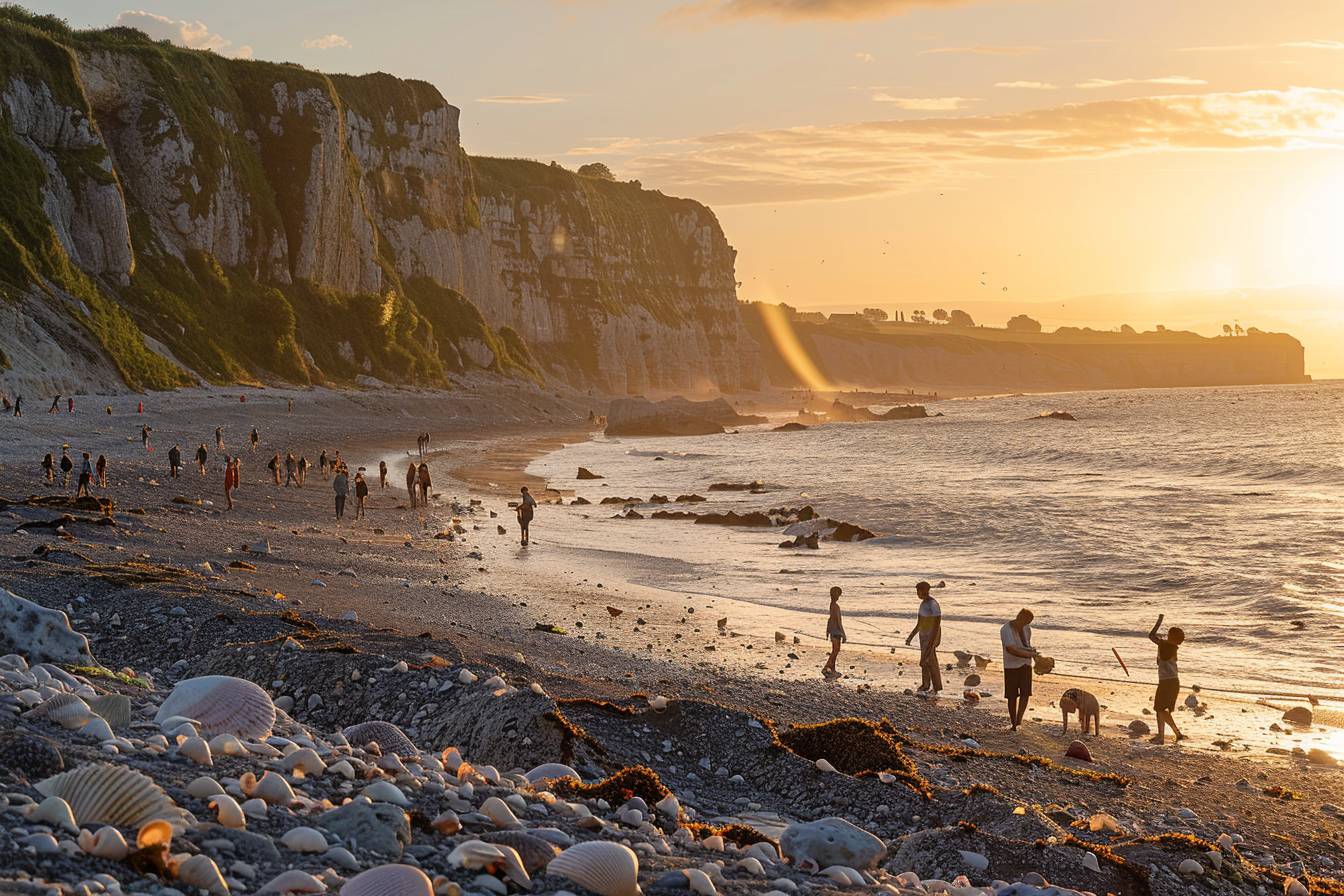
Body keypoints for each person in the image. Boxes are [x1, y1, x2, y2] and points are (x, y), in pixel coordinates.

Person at [1148, 614, 1185, 744]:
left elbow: (1151, 636)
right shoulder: (1170, 647)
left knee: (1160, 709)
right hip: (1172, 682)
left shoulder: (1164, 645)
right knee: (1160, 710)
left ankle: (1170, 734)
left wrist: (1159, 621)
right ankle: (1164, 736)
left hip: (1167, 683)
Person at [1001, 608, 1038, 731]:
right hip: (1011, 665)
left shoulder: (1027, 629)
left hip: (1026, 664)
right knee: (1012, 696)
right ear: (1019, 617)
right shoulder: (1006, 629)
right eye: (1025, 621)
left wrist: (1033, 653)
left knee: (1025, 694)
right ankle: (1013, 721)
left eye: (1028, 622)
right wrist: (1029, 655)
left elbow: (1026, 645)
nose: (1026, 625)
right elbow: (1011, 649)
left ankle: (1019, 720)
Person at [904, 581, 943, 696]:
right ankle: (925, 684)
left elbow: (937, 624)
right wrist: (911, 636)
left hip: (932, 634)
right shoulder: (922, 605)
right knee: (924, 660)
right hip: (923, 635)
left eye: (919, 591)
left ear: (925, 591)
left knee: (930, 660)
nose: (917, 594)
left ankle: (936, 687)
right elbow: (919, 623)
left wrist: (933, 641)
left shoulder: (933, 604)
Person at [822, 586, 845, 676]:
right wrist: (843, 633)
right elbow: (838, 621)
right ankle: (827, 666)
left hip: (832, 630)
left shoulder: (832, 605)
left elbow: (830, 619)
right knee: (836, 650)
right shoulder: (835, 606)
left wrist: (827, 630)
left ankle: (832, 668)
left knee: (835, 650)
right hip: (837, 631)